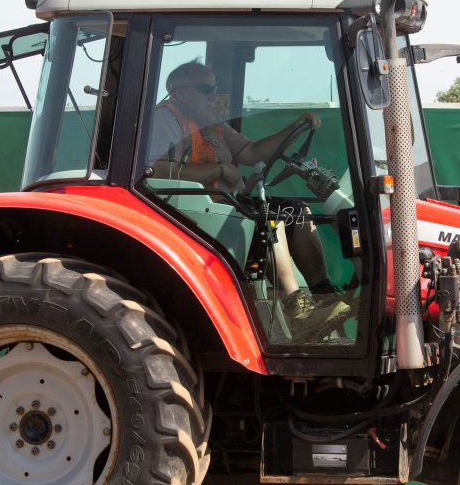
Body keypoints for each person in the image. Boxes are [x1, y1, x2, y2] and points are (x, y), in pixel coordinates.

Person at [147, 60, 349, 341]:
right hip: (190, 212)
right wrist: (218, 170)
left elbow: (253, 152)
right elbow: (153, 170)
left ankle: (323, 297)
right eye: (205, 89)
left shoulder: (212, 127)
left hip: (226, 206)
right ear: (179, 93)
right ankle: (297, 311)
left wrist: (293, 127)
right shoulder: (165, 119)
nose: (212, 96)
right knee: (269, 219)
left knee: (296, 212)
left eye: (214, 89)